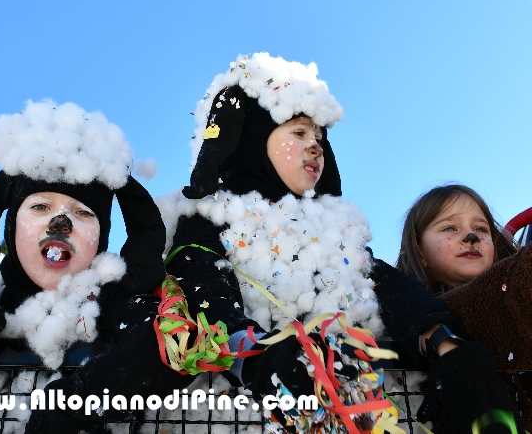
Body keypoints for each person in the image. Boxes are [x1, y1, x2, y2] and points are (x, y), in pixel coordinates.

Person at [159, 53, 521, 433]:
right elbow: (202, 289)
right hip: (246, 409)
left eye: (319, 137)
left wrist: (445, 343)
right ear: (251, 139)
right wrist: (259, 356)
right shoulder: (211, 217)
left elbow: (389, 288)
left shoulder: (337, 230)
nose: (315, 146)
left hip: (368, 407)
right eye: (298, 133)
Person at [0, 100, 192, 433]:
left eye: (83, 213)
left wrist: (73, 404)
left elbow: (172, 342)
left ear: (101, 237)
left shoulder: (110, 300)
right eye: (40, 206)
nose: (60, 223)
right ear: (10, 226)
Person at [396, 184, 529, 371]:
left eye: (481, 229)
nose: (471, 236)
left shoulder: (511, 285)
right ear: (420, 252)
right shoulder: (418, 314)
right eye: (450, 228)